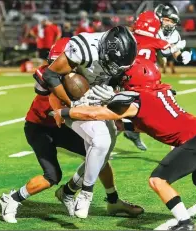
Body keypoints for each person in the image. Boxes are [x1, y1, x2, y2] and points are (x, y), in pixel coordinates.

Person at [52, 57, 196, 230]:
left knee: (158, 180)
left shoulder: (137, 101)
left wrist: (64, 112)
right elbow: (150, 123)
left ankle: (185, 223)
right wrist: (123, 125)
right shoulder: (161, 90)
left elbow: (96, 114)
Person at [0, 37, 143, 223]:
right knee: (52, 175)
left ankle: (110, 200)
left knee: (100, 155)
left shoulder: (86, 70)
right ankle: (12, 199)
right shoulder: (49, 76)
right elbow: (56, 105)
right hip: (41, 127)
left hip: (65, 123)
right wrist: (77, 103)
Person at [33, 25, 141, 218]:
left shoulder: (123, 53)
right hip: (73, 102)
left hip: (96, 99)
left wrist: (113, 93)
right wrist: (73, 103)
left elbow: (118, 79)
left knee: (104, 150)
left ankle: (69, 191)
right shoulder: (84, 47)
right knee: (100, 142)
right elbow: (50, 76)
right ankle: (86, 194)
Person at [121, 10, 191, 150]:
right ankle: (176, 144)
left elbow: (168, 53)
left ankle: (127, 131)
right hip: (144, 82)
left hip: (129, 78)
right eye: (165, 20)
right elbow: (166, 50)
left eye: (171, 21)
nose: (167, 23)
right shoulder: (154, 38)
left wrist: (180, 56)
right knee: (162, 114)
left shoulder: (129, 36)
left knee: (121, 112)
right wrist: (177, 49)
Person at [154, 3, 191, 74]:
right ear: (158, 18)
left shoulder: (174, 34)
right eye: (167, 20)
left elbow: (175, 53)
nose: (170, 23)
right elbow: (163, 52)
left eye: (172, 21)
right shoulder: (152, 30)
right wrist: (175, 48)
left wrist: (181, 57)